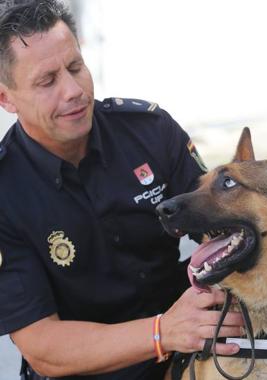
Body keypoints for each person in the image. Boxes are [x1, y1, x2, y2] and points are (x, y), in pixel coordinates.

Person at [0, 1, 245, 379]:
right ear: (6, 98)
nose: (73, 91)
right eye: (47, 81)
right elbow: (42, 345)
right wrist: (162, 332)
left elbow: (235, 228)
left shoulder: (149, 131)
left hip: (189, 352)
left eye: (75, 67)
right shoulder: (6, 190)